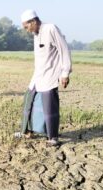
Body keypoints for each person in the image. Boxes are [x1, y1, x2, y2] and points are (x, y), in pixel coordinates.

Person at [16, 9, 72, 147]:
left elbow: (64, 49)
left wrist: (65, 73)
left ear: (33, 21)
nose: (26, 30)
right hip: (37, 76)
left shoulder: (50, 29)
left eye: (26, 26)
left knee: (49, 107)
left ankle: (53, 137)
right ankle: (28, 131)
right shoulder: (36, 34)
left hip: (50, 76)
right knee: (30, 101)